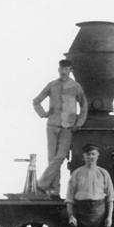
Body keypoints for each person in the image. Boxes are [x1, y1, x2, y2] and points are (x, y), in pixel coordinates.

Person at [32, 59, 88, 197]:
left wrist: (79, 123)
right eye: (62, 69)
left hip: (67, 128)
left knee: (60, 157)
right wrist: (43, 113)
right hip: (52, 125)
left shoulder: (76, 87)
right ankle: (55, 192)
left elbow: (84, 106)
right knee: (52, 159)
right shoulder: (52, 85)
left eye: (67, 69)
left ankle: (42, 185)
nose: (64, 72)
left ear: (71, 71)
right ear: (58, 69)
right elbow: (36, 101)